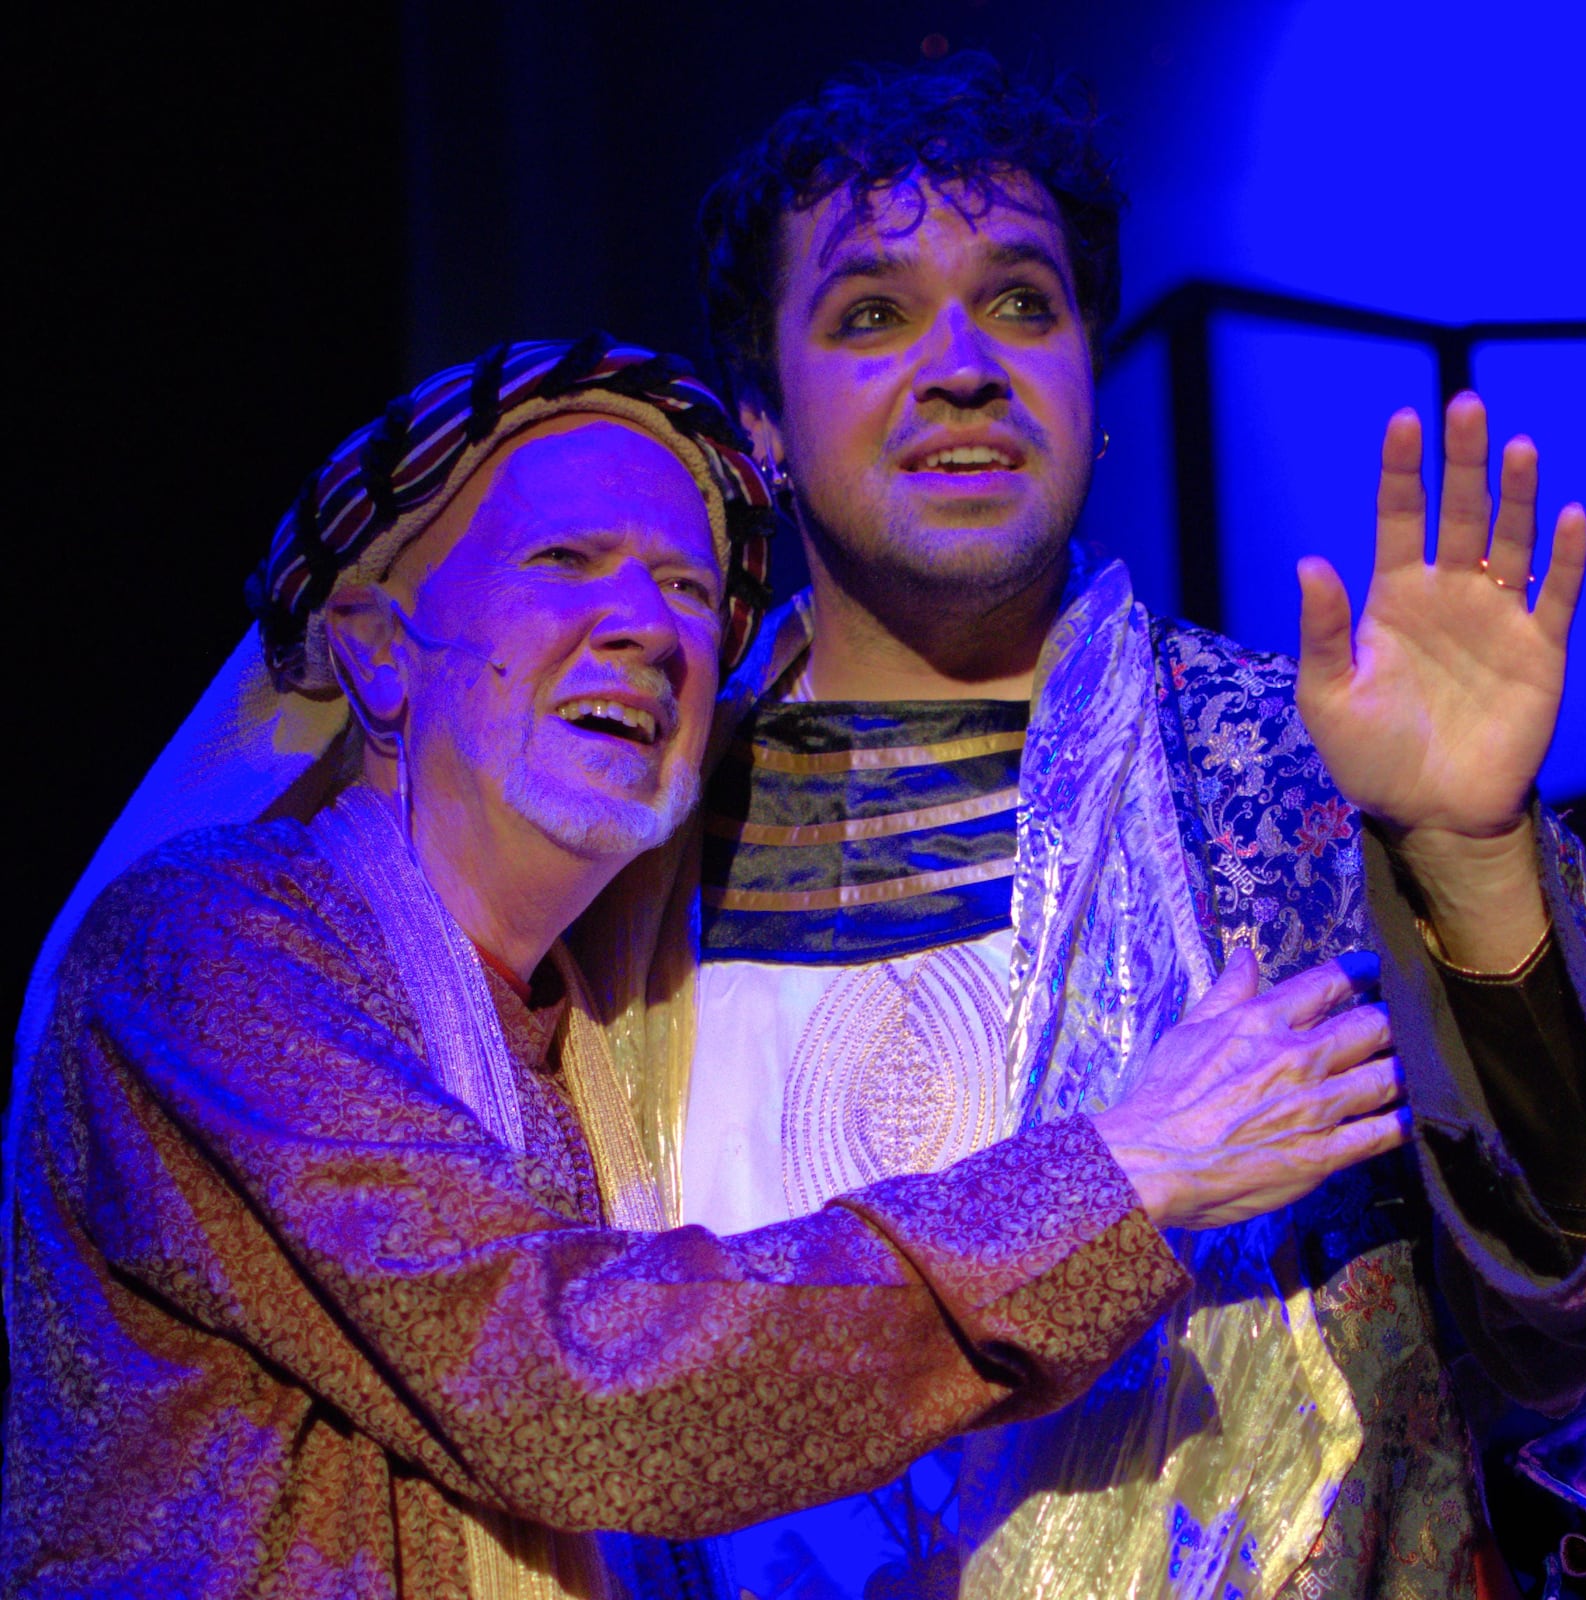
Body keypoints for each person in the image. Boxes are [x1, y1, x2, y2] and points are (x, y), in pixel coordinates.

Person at [1, 336, 1410, 1600]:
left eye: (687, 588)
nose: (648, 628)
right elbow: (568, 1384)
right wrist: (1127, 1168)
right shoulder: (209, 948)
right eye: (567, 564)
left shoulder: (596, 1052)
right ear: (376, 658)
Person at [558, 59, 1586, 1599]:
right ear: (762, 421)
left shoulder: (1287, 779)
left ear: (1091, 389)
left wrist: (1469, 853)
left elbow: (1561, 1311)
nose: (964, 365)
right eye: (871, 315)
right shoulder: (625, 852)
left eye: (1023, 304)